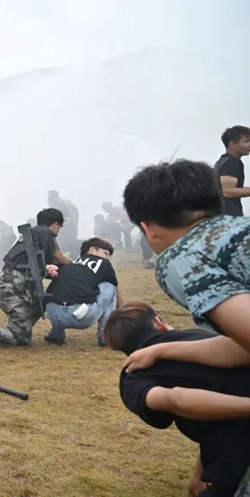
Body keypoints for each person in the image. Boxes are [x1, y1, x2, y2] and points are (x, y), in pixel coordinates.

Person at [122, 159, 250, 497]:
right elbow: (244, 346)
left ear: (149, 229)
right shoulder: (239, 231)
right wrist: (164, 349)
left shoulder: (181, 256)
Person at [105, 302, 250, 496]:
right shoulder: (203, 338)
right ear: (158, 322)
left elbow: (176, 399)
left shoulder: (132, 378)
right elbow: (217, 398)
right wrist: (199, 473)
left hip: (238, 455)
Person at [0, 208, 69, 348]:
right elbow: (60, 258)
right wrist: (78, 265)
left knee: (43, 302)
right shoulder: (46, 234)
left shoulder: (32, 236)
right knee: (22, 338)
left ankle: (15, 331)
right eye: (60, 227)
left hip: (17, 287)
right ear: (56, 224)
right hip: (16, 290)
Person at [43, 237, 122, 346]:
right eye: (106, 253)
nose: (107, 258)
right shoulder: (104, 263)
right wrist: (123, 310)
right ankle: (105, 337)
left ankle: (56, 335)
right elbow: (115, 289)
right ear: (92, 250)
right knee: (109, 286)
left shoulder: (68, 265)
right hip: (81, 316)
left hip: (55, 316)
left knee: (62, 286)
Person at [215, 125, 250, 217]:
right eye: (246, 141)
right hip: (229, 216)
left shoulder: (221, 162)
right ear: (232, 145)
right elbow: (228, 191)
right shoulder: (232, 162)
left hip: (220, 215)